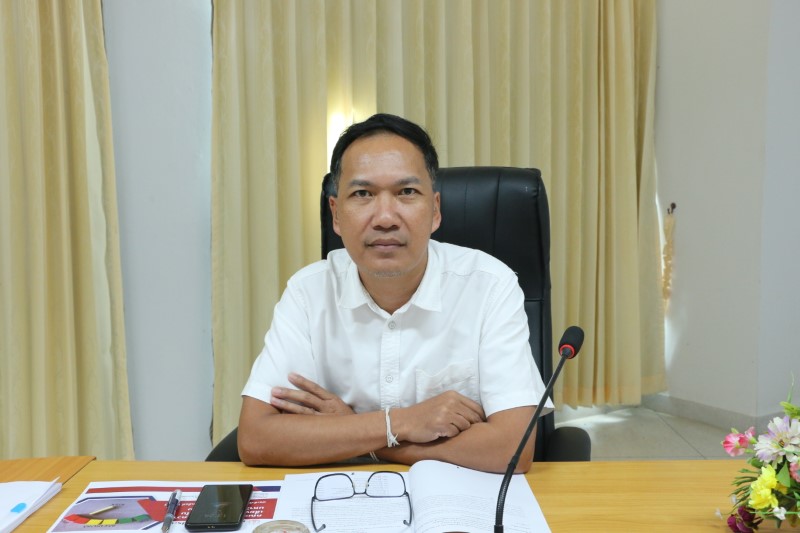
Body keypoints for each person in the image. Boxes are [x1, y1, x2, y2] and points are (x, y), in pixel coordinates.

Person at [238, 113, 551, 473]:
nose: (385, 218)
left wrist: (357, 433)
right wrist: (402, 422)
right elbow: (256, 438)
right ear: (336, 214)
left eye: (406, 193)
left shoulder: (489, 285)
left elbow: (512, 448)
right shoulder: (308, 293)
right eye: (363, 194)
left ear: (435, 211)